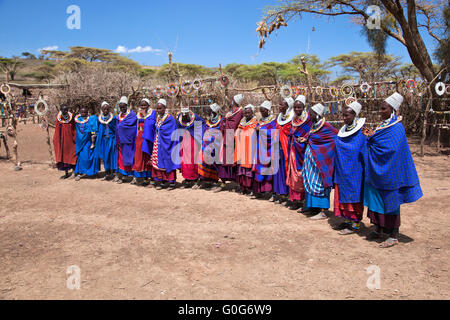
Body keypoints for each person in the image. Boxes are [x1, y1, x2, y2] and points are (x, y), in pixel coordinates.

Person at [362, 92, 423, 248]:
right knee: (375, 198)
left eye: (383, 109)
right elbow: (377, 141)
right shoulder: (383, 125)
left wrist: (373, 139)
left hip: (390, 170)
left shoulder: (397, 128)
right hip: (376, 169)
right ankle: (379, 228)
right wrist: (371, 136)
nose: (380, 112)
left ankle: (394, 234)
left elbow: (392, 149)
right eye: (380, 109)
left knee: (391, 200)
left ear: (392, 109)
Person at [333, 101, 367, 234]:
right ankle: (347, 220)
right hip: (342, 168)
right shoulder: (343, 130)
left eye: (347, 115)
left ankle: (355, 224)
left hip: (355, 170)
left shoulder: (361, 133)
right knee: (343, 194)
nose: (344, 118)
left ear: (355, 115)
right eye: (343, 115)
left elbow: (362, 149)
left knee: (354, 194)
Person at [300, 103, 338, 220]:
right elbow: (312, 138)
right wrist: (305, 139)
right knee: (310, 182)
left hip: (320, 163)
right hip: (311, 163)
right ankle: (313, 207)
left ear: (317, 115)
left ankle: (322, 211)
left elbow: (335, 138)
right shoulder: (314, 126)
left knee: (319, 184)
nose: (309, 115)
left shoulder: (326, 127)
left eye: (311, 113)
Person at [286, 95, 313, 210]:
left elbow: (311, 133)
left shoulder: (308, 119)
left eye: (299, 107)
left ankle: (304, 201)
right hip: (293, 150)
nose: (297, 109)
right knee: (293, 175)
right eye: (295, 107)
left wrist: (303, 140)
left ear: (304, 107)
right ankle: (296, 200)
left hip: (303, 151)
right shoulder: (294, 119)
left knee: (302, 175)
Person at [213, 94, 244, 192]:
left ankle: (236, 183)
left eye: (232, 100)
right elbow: (224, 122)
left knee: (233, 160)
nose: (230, 101)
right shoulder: (231, 112)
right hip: (226, 137)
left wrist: (225, 121)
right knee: (223, 159)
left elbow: (233, 124)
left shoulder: (239, 112)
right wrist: (224, 121)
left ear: (235, 101)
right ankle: (223, 182)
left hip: (233, 138)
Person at [150, 99, 180, 190]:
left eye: (160, 108)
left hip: (168, 144)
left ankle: (171, 183)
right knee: (158, 161)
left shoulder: (170, 119)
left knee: (168, 160)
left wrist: (166, 140)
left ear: (165, 108)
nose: (159, 110)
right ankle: (162, 180)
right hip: (158, 143)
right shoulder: (158, 118)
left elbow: (173, 132)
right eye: (157, 109)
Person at [271, 97, 295, 204]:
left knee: (287, 171)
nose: (279, 107)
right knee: (280, 172)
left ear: (288, 106)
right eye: (279, 105)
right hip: (279, 148)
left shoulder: (293, 117)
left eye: (282, 105)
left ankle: (289, 196)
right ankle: (282, 194)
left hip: (288, 148)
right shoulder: (280, 117)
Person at [252, 100, 277, 199]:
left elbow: (273, 133)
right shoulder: (261, 120)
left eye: (263, 111)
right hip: (259, 149)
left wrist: (261, 130)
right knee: (259, 169)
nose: (262, 113)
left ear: (268, 110)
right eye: (261, 111)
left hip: (268, 149)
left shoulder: (273, 121)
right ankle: (259, 191)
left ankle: (270, 192)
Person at [176, 106, 205, 189]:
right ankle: (187, 179)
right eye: (183, 115)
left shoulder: (195, 118)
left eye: (186, 115)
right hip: (184, 142)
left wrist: (198, 136)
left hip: (193, 142)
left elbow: (202, 125)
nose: (185, 116)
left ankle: (195, 179)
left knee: (193, 160)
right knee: (185, 161)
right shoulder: (179, 119)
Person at [132, 98, 156, 186]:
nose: (143, 107)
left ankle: (152, 179)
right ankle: (145, 178)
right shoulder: (138, 114)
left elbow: (151, 123)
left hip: (148, 138)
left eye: (145, 105)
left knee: (148, 157)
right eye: (141, 105)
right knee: (141, 157)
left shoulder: (152, 112)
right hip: (139, 138)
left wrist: (145, 115)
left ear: (148, 105)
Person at [198, 103, 222, 189]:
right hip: (205, 145)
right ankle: (205, 180)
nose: (208, 111)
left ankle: (214, 181)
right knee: (203, 162)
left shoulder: (220, 121)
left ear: (214, 111)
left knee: (213, 163)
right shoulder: (208, 121)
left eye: (210, 110)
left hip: (215, 146)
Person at [235, 104, 258, 195]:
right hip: (241, 148)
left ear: (252, 113)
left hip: (250, 149)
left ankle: (250, 188)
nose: (247, 114)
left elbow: (254, 133)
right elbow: (237, 131)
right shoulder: (242, 122)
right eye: (245, 113)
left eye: (249, 112)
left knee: (249, 169)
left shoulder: (255, 123)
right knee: (241, 168)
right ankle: (243, 187)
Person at [116, 96, 138, 184]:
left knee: (131, 158)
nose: (122, 108)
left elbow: (132, 127)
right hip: (120, 141)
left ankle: (133, 177)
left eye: (124, 106)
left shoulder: (132, 115)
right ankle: (123, 175)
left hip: (129, 141)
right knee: (121, 159)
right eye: (121, 107)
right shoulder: (119, 116)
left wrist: (121, 127)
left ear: (127, 105)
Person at [74, 107, 99, 181]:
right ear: (80, 112)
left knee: (91, 156)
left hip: (89, 142)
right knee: (82, 157)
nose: (83, 114)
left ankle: (92, 172)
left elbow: (93, 128)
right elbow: (78, 132)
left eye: (85, 112)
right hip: (81, 143)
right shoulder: (78, 121)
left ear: (87, 112)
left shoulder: (90, 119)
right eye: (82, 112)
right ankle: (80, 173)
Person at [53, 104, 77, 179]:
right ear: (61, 110)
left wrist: (75, 138)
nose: (66, 111)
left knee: (72, 155)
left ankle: (74, 172)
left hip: (70, 140)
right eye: (64, 110)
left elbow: (74, 128)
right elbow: (57, 129)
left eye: (67, 109)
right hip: (62, 140)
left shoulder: (71, 116)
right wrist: (56, 139)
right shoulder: (59, 118)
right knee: (63, 156)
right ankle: (66, 173)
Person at [95, 102, 117, 181]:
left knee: (112, 156)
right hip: (104, 140)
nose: (106, 110)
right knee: (105, 157)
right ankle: (107, 173)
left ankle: (114, 174)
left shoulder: (113, 118)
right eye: (104, 109)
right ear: (101, 109)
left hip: (111, 139)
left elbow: (115, 129)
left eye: (107, 109)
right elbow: (99, 130)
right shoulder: (99, 119)